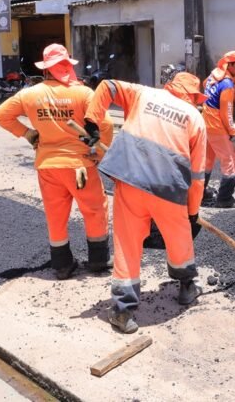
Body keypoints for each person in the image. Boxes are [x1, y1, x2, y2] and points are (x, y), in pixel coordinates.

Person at [84, 72, 207, 334]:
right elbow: (197, 177)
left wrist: (92, 120)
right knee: (179, 237)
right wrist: (193, 211)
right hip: (169, 189)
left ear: (170, 87)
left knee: (127, 242)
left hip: (130, 181)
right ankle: (187, 287)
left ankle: (122, 310)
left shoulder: (143, 93)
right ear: (193, 97)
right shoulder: (195, 117)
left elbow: (108, 86)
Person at [0, 44, 114, 281]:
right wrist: (99, 152)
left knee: (56, 214)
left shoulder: (29, 94)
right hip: (79, 168)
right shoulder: (84, 94)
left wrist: (28, 133)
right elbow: (106, 124)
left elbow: (0, 115)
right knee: (94, 210)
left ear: (45, 69)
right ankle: (98, 260)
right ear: (67, 65)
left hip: (48, 166)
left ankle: (62, 265)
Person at [202, 50, 235, 208]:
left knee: (206, 160)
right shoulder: (227, 85)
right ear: (229, 65)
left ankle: (199, 194)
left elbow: (204, 85)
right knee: (230, 160)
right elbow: (226, 113)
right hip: (217, 127)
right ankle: (224, 199)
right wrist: (234, 135)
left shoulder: (213, 76)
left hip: (206, 124)